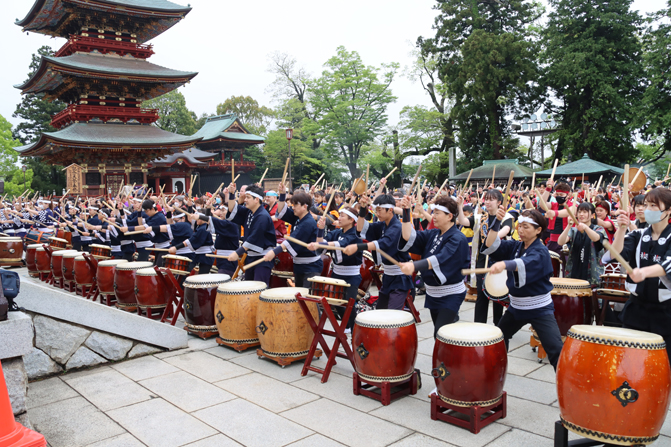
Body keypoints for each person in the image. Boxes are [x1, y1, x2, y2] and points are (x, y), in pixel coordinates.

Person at [482, 207, 564, 369]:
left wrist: (506, 264)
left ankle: (567, 387)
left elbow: (527, 263)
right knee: (498, 337)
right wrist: (497, 222)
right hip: (516, 308)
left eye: (526, 227)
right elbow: (491, 244)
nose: (520, 229)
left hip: (539, 308)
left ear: (538, 230)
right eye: (520, 225)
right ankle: (497, 372)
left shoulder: (541, 251)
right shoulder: (516, 247)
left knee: (555, 350)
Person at [611, 187, 671, 362]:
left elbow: (667, 264)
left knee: (661, 366)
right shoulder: (638, 234)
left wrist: (643, 272)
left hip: (665, 313)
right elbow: (616, 254)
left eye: (654, 205)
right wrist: (621, 230)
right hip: (636, 309)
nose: (647, 209)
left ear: (668, 210)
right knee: (629, 361)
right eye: (646, 205)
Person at [398, 195, 469, 336]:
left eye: (437, 213)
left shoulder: (457, 238)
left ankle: (446, 358)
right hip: (433, 293)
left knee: (440, 334)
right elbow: (408, 236)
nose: (433, 216)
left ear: (449, 216)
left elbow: (441, 258)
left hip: (451, 294)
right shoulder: (433, 234)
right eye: (433, 213)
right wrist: (406, 211)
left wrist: (414, 266)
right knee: (440, 334)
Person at [343, 194, 413, 310]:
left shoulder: (397, 227)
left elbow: (383, 244)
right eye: (376, 210)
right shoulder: (382, 225)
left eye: (379, 210)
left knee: (392, 316)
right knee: (380, 312)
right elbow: (361, 228)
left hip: (400, 279)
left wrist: (358, 247)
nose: (377, 213)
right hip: (388, 277)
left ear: (390, 210)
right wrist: (363, 209)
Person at [458, 189, 512, 325]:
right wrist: (459, 206)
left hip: (499, 262)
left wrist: (492, 236)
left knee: (498, 295)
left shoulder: (507, 218)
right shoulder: (480, 218)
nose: (487, 202)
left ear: (499, 202)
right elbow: (463, 221)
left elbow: (505, 231)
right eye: (486, 199)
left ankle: (498, 326)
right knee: (481, 296)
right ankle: (479, 326)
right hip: (483, 261)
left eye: (491, 199)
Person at [308, 206, 363, 331]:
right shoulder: (336, 232)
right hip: (336, 273)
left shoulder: (355, 235)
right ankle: (347, 325)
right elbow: (322, 246)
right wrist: (320, 230)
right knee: (334, 301)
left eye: (342, 216)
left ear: (351, 220)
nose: (339, 218)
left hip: (351, 275)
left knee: (349, 303)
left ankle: (355, 329)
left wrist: (319, 244)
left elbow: (341, 245)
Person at [267, 185, 322, 288]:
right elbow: (282, 212)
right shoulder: (298, 217)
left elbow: (292, 240)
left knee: (307, 299)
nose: (293, 207)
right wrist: (282, 194)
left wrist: (274, 252)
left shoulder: (308, 222)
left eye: (295, 205)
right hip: (299, 265)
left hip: (310, 267)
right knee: (300, 298)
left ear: (304, 207)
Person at [225, 183, 276, 286]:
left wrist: (237, 252)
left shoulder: (262, 216)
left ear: (256, 199)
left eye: (248, 197)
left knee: (258, 290)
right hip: (251, 257)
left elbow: (254, 238)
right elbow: (232, 209)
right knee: (249, 290)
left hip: (263, 258)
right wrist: (231, 193)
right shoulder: (250, 212)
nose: (245, 200)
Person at [557, 202, 606, 284]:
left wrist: (585, 227)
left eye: (585, 212)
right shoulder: (573, 231)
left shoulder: (598, 229)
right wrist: (568, 226)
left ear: (592, 215)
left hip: (592, 276)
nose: (581, 214)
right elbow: (560, 242)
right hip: (574, 273)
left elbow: (596, 238)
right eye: (579, 212)